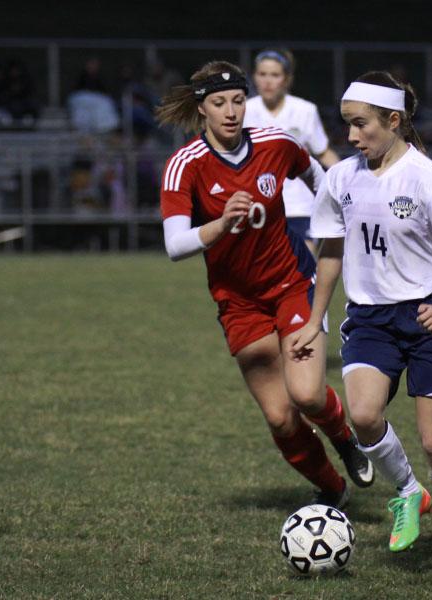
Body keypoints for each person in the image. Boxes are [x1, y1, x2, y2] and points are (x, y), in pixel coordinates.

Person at [290, 71, 432, 576]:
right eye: (347, 125)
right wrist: (315, 320)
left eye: (361, 125)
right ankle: (407, 492)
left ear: (393, 121)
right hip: (371, 319)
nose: (352, 137)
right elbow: (331, 251)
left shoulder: (427, 179)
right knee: (364, 415)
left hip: (427, 319)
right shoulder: (341, 179)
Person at [155, 61, 374, 509]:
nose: (231, 111)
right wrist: (221, 223)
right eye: (219, 103)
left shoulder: (275, 144)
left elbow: (316, 174)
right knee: (279, 416)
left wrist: (330, 224)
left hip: (293, 281)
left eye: (237, 100)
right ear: (203, 109)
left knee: (308, 393)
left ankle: (345, 439)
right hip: (239, 302)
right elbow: (175, 244)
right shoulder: (185, 166)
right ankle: (333, 488)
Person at [243, 49, 340, 254]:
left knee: (301, 270)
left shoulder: (305, 110)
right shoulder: (244, 110)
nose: (268, 81)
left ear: (286, 79)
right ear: (254, 77)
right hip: (258, 206)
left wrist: (345, 180)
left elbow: (323, 153)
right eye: (262, 74)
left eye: (275, 75)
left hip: (300, 206)